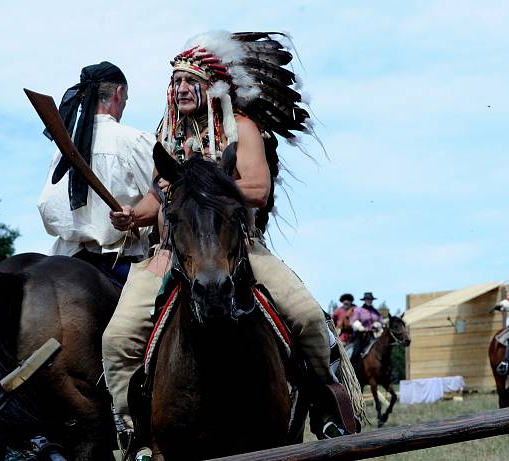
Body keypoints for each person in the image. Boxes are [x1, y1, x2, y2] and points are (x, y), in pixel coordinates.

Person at [103, 31, 362, 451]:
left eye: (191, 81)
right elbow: (157, 196)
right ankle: (134, 433)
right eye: (176, 82)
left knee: (308, 316)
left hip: (238, 249)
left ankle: (327, 409)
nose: (182, 89)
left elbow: (258, 188)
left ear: (213, 87)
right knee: (117, 338)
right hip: (170, 254)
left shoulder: (241, 127)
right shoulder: (167, 134)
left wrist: (209, 189)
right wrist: (134, 215)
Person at [37, 61, 155, 286]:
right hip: (119, 263)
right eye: (126, 100)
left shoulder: (63, 148)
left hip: (63, 259)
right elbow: (163, 200)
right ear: (119, 93)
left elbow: (47, 206)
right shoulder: (135, 141)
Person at [349, 292, 383, 362]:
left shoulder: (376, 312)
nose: (369, 300)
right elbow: (353, 321)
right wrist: (359, 326)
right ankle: (353, 366)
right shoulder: (358, 310)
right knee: (356, 352)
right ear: (364, 300)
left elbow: (381, 321)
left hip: (373, 335)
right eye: (367, 299)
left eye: (370, 299)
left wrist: (378, 324)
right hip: (361, 335)